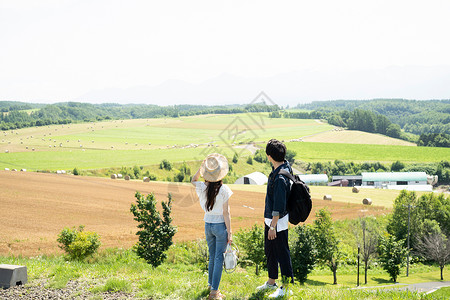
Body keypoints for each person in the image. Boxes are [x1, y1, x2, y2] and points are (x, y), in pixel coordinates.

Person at [192, 153, 233, 300]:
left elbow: (193, 180)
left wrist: (201, 168)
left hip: (207, 225)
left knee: (212, 256)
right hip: (220, 226)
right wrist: (230, 232)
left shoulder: (202, 187)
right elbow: (226, 213)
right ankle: (214, 293)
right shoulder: (224, 190)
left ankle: (211, 285)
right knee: (218, 259)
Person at [257, 139, 294, 298]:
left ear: (269, 156)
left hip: (277, 223)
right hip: (272, 221)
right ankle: (272, 283)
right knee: (270, 251)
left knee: (282, 253)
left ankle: (286, 287)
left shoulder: (280, 177)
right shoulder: (285, 167)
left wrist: (272, 227)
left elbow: (278, 205)